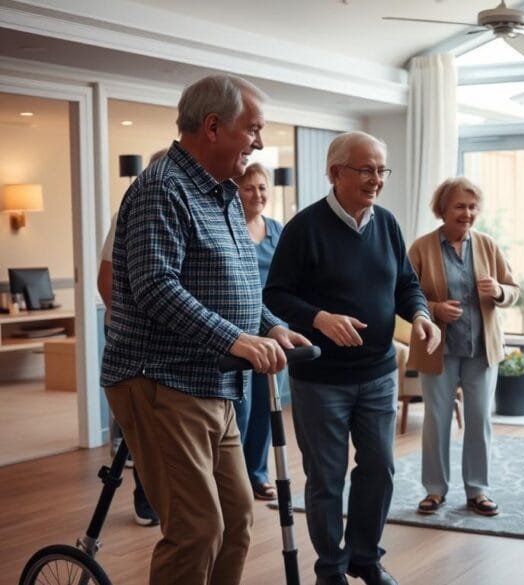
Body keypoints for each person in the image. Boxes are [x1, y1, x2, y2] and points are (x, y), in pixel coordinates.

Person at [101, 74, 310, 585]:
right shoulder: (162, 188)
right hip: (161, 380)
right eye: (253, 129)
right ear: (213, 127)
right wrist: (235, 339)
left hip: (215, 382)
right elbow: (155, 287)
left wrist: (272, 326)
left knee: (236, 522)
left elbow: (238, 284)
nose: (259, 142)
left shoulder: (220, 194)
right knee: (196, 529)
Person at [264, 130, 441, 585]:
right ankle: (331, 568)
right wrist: (319, 317)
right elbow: (276, 295)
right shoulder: (304, 228)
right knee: (326, 478)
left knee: (379, 467)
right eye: (366, 169)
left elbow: (405, 283)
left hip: (379, 372)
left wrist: (419, 315)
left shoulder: (386, 223)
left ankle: (365, 557)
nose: (376, 179)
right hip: (321, 378)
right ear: (335, 172)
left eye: (381, 170)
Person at [406, 177, 520, 518]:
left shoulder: (487, 245)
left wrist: (499, 291)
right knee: (437, 421)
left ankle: (478, 490)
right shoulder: (422, 248)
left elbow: (514, 289)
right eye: (459, 206)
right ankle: (434, 491)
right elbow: (405, 296)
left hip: (481, 350)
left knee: (478, 419)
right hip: (437, 348)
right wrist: (435, 309)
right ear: (442, 209)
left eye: (472, 207)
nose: (467, 213)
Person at [98, 148, 167, 527]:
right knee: (144, 427)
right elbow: (105, 279)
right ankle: (146, 494)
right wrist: (129, 324)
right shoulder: (131, 212)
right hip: (136, 341)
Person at [231, 161, 286, 501]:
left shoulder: (278, 230)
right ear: (236, 191)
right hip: (239, 332)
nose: (257, 194)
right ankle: (235, 479)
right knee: (242, 409)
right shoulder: (230, 228)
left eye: (262, 187)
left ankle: (257, 473)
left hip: (274, 331)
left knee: (268, 406)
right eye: (249, 187)